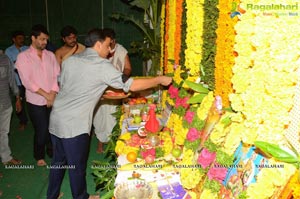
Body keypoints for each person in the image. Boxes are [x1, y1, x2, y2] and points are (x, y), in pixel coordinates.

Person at [47, 28, 172, 199]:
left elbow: (68, 85)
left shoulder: (70, 60)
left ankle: (52, 195)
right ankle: (81, 196)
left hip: (56, 119)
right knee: (77, 166)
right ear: (98, 44)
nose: (110, 50)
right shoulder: (101, 65)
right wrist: (159, 80)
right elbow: (131, 85)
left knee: (58, 163)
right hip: (74, 125)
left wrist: (99, 93)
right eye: (107, 46)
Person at [16, 24, 60, 167]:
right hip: (35, 101)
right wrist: (46, 96)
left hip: (53, 97)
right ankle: (39, 155)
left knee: (53, 128)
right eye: (41, 39)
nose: (45, 42)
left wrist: (52, 94)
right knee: (41, 129)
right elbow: (27, 81)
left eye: (46, 40)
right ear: (33, 38)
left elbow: (57, 75)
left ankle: (52, 150)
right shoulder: (23, 57)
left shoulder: (50, 55)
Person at [93, 28, 132, 153]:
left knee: (112, 117)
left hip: (115, 90)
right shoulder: (98, 51)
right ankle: (100, 142)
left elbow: (127, 68)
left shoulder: (121, 51)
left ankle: (112, 143)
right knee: (99, 117)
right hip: (100, 90)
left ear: (114, 40)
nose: (108, 46)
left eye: (110, 43)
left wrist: (120, 79)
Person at [0, 53, 22, 165]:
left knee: (4, 132)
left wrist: (18, 97)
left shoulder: (4, 58)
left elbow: (11, 79)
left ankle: (6, 157)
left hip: (5, 103)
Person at [5, 30, 29, 131]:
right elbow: (11, 67)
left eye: (23, 38)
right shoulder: (8, 51)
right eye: (19, 38)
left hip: (29, 81)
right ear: (13, 39)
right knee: (19, 103)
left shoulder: (27, 49)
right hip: (17, 82)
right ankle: (23, 121)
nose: (21, 40)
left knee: (32, 102)